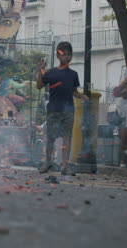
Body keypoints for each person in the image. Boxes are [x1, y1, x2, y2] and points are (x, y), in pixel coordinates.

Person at [36, 42, 88, 176]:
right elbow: (39, 86)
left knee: (67, 138)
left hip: (68, 111)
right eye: (64, 54)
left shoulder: (73, 74)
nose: (67, 57)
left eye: (69, 54)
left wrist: (81, 96)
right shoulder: (51, 72)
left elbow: (73, 91)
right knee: (51, 138)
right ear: (58, 56)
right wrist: (40, 70)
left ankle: (65, 165)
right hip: (54, 109)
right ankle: (48, 162)